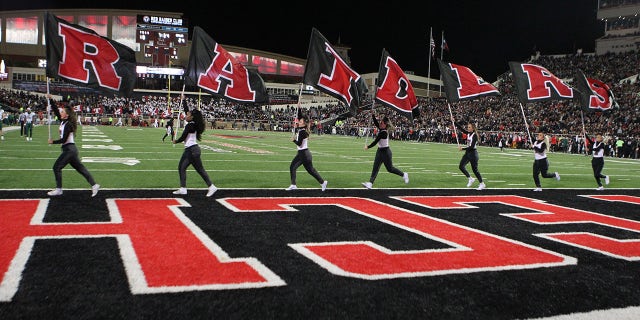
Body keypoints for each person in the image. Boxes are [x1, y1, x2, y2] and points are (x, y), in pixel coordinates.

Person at [46, 95, 100, 197]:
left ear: (66, 115)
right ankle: (94, 185)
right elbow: (56, 111)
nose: (60, 113)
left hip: (69, 150)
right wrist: (51, 100)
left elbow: (64, 140)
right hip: (70, 150)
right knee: (81, 169)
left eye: (63, 112)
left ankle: (59, 189)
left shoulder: (68, 125)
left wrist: (52, 142)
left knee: (56, 167)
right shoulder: (63, 122)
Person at [172, 105, 217, 197]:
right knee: (183, 167)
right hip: (192, 149)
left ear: (191, 117)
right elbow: (186, 111)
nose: (186, 115)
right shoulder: (192, 123)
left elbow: (183, 137)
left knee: (191, 168)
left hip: (191, 150)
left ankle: (211, 186)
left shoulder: (190, 125)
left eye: (187, 115)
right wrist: (183, 100)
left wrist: (176, 141)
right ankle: (183, 188)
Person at [362, 114, 408, 189]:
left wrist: (368, 147)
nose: (380, 124)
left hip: (386, 152)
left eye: (382, 123)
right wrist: (373, 116)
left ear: (385, 125)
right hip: (380, 151)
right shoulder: (381, 129)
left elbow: (376, 141)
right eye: (380, 123)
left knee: (390, 169)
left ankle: (404, 174)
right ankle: (370, 183)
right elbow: (376, 124)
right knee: (375, 167)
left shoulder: (383, 132)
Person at [286, 114, 328, 191]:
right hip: (305, 153)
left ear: (304, 123)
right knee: (311, 171)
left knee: (292, 167)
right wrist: (299, 108)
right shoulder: (302, 129)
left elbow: (300, 144)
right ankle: (322, 182)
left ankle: (293, 184)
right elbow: (299, 119)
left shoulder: (302, 132)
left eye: (300, 121)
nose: (299, 121)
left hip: (303, 154)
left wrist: (294, 140)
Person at [453, 120, 485, 190]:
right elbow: (461, 129)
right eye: (468, 127)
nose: (468, 128)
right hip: (468, 153)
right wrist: (454, 122)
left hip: (473, 154)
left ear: (473, 128)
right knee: (461, 166)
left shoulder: (475, 135)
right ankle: (470, 178)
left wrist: (463, 148)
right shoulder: (468, 133)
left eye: (469, 127)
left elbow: (472, 146)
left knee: (475, 170)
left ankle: (482, 183)